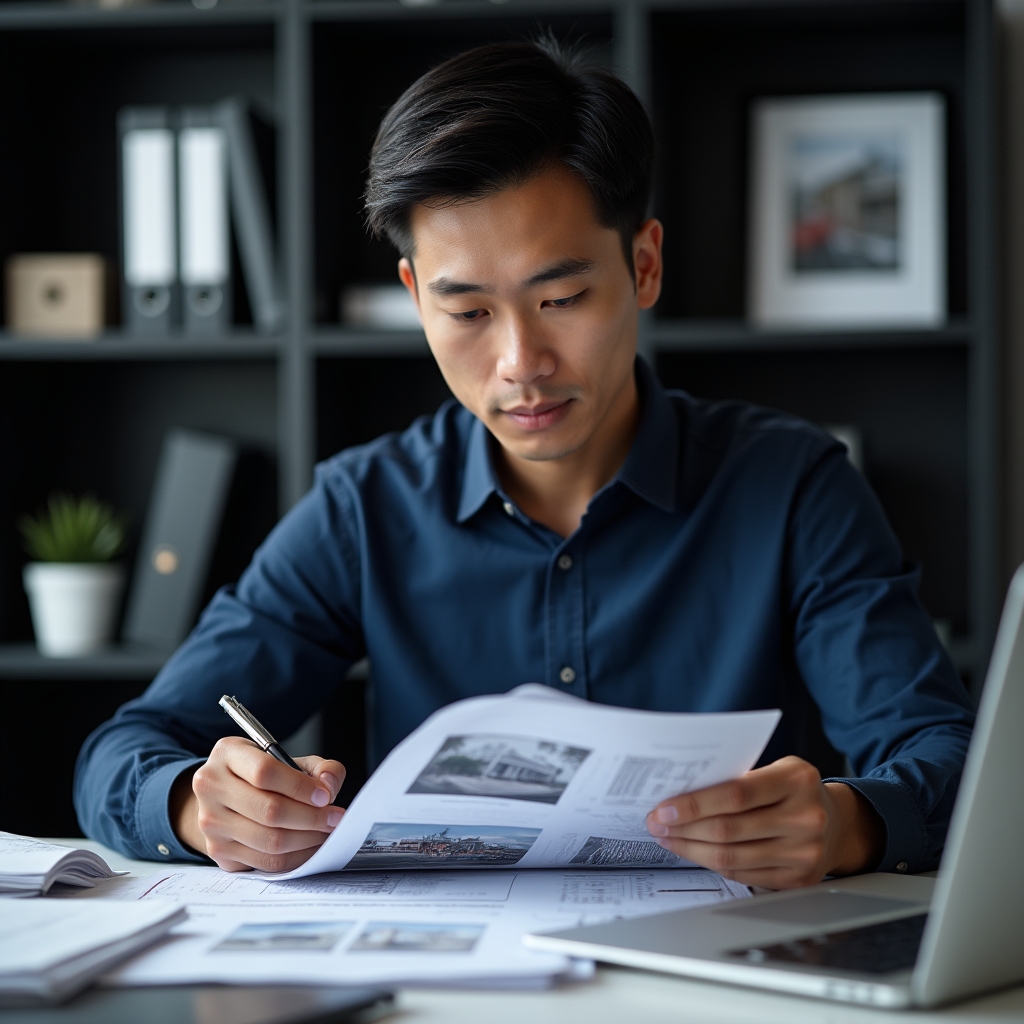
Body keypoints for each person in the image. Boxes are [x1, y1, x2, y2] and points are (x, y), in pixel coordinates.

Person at [75, 39, 973, 890]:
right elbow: (124, 750)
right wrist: (200, 806)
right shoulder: (365, 506)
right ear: (414, 298)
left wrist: (848, 821)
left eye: (563, 297)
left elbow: (950, 755)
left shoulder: (793, 487)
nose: (520, 362)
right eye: (466, 312)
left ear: (646, 266)